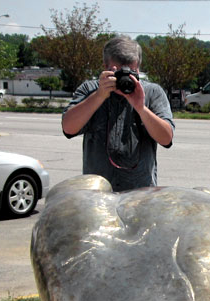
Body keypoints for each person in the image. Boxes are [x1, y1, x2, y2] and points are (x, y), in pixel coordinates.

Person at [62, 35, 174, 192]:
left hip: (140, 195)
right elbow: (68, 128)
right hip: (97, 195)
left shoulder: (152, 92)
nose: (125, 78)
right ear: (105, 67)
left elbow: (166, 138)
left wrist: (141, 108)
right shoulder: (90, 90)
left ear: (139, 69)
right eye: (118, 73)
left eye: (131, 72)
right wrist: (99, 96)